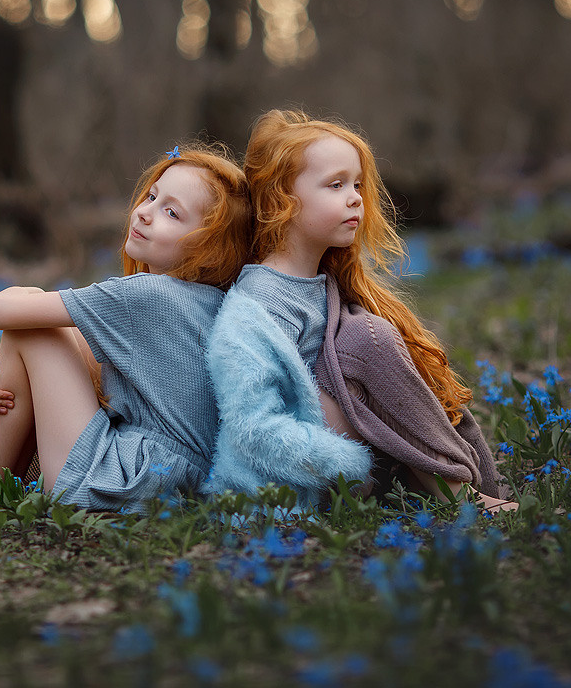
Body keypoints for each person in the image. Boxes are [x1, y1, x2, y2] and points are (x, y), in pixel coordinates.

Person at [0, 145, 252, 514]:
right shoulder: (207, 303)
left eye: (171, 213)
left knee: (31, 328)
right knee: (41, 328)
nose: (144, 213)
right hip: (173, 487)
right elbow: (80, 356)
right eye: (152, 196)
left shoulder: (149, 295)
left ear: (210, 250)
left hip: (124, 483)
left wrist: (25, 298)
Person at [204, 109, 516, 511]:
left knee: (368, 335)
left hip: (338, 456)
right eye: (335, 185)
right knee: (366, 340)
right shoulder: (259, 303)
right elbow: (254, 423)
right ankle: (461, 497)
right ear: (282, 199)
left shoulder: (320, 283)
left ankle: (452, 487)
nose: (355, 197)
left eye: (356, 184)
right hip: (291, 474)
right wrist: (353, 463)